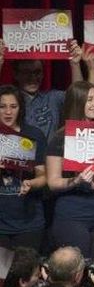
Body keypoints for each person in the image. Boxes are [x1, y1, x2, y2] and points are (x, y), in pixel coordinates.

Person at [46, 81, 94, 259]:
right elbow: (52, 182)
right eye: (89, 100)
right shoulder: (60, 138)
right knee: (77, 268)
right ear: (77, 102)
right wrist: (76, 181)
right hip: (72, 213)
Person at [0, 85, 47, 250]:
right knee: (2, 275)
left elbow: (44, 176)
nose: (8, 112)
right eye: (2, 106)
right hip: (1, 226)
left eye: (13, 106)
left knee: (27, 274)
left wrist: (31, 184)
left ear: (20, 108)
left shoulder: (34, 135)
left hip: (29, 223)